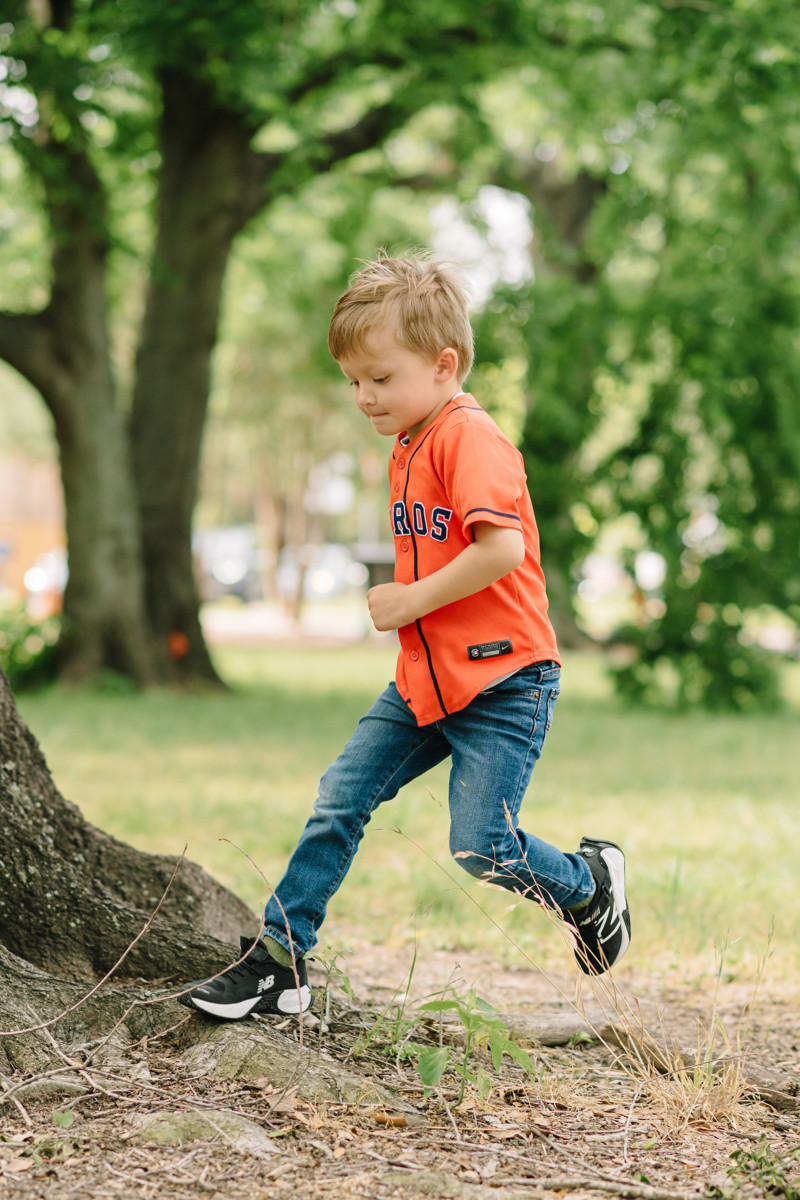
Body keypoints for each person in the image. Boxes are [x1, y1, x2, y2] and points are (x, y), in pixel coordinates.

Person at [180, 254, 630, 1021]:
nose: (363, 396)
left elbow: (503, 551)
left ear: (443, 364)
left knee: (481, 844)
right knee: (339, 799)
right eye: (354, 381)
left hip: (505, 682)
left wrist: (407, 600)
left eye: (380, 379)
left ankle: (590, 885)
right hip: (424, 682)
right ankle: (280, 962)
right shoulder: (409, 443)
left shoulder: (469, 437)